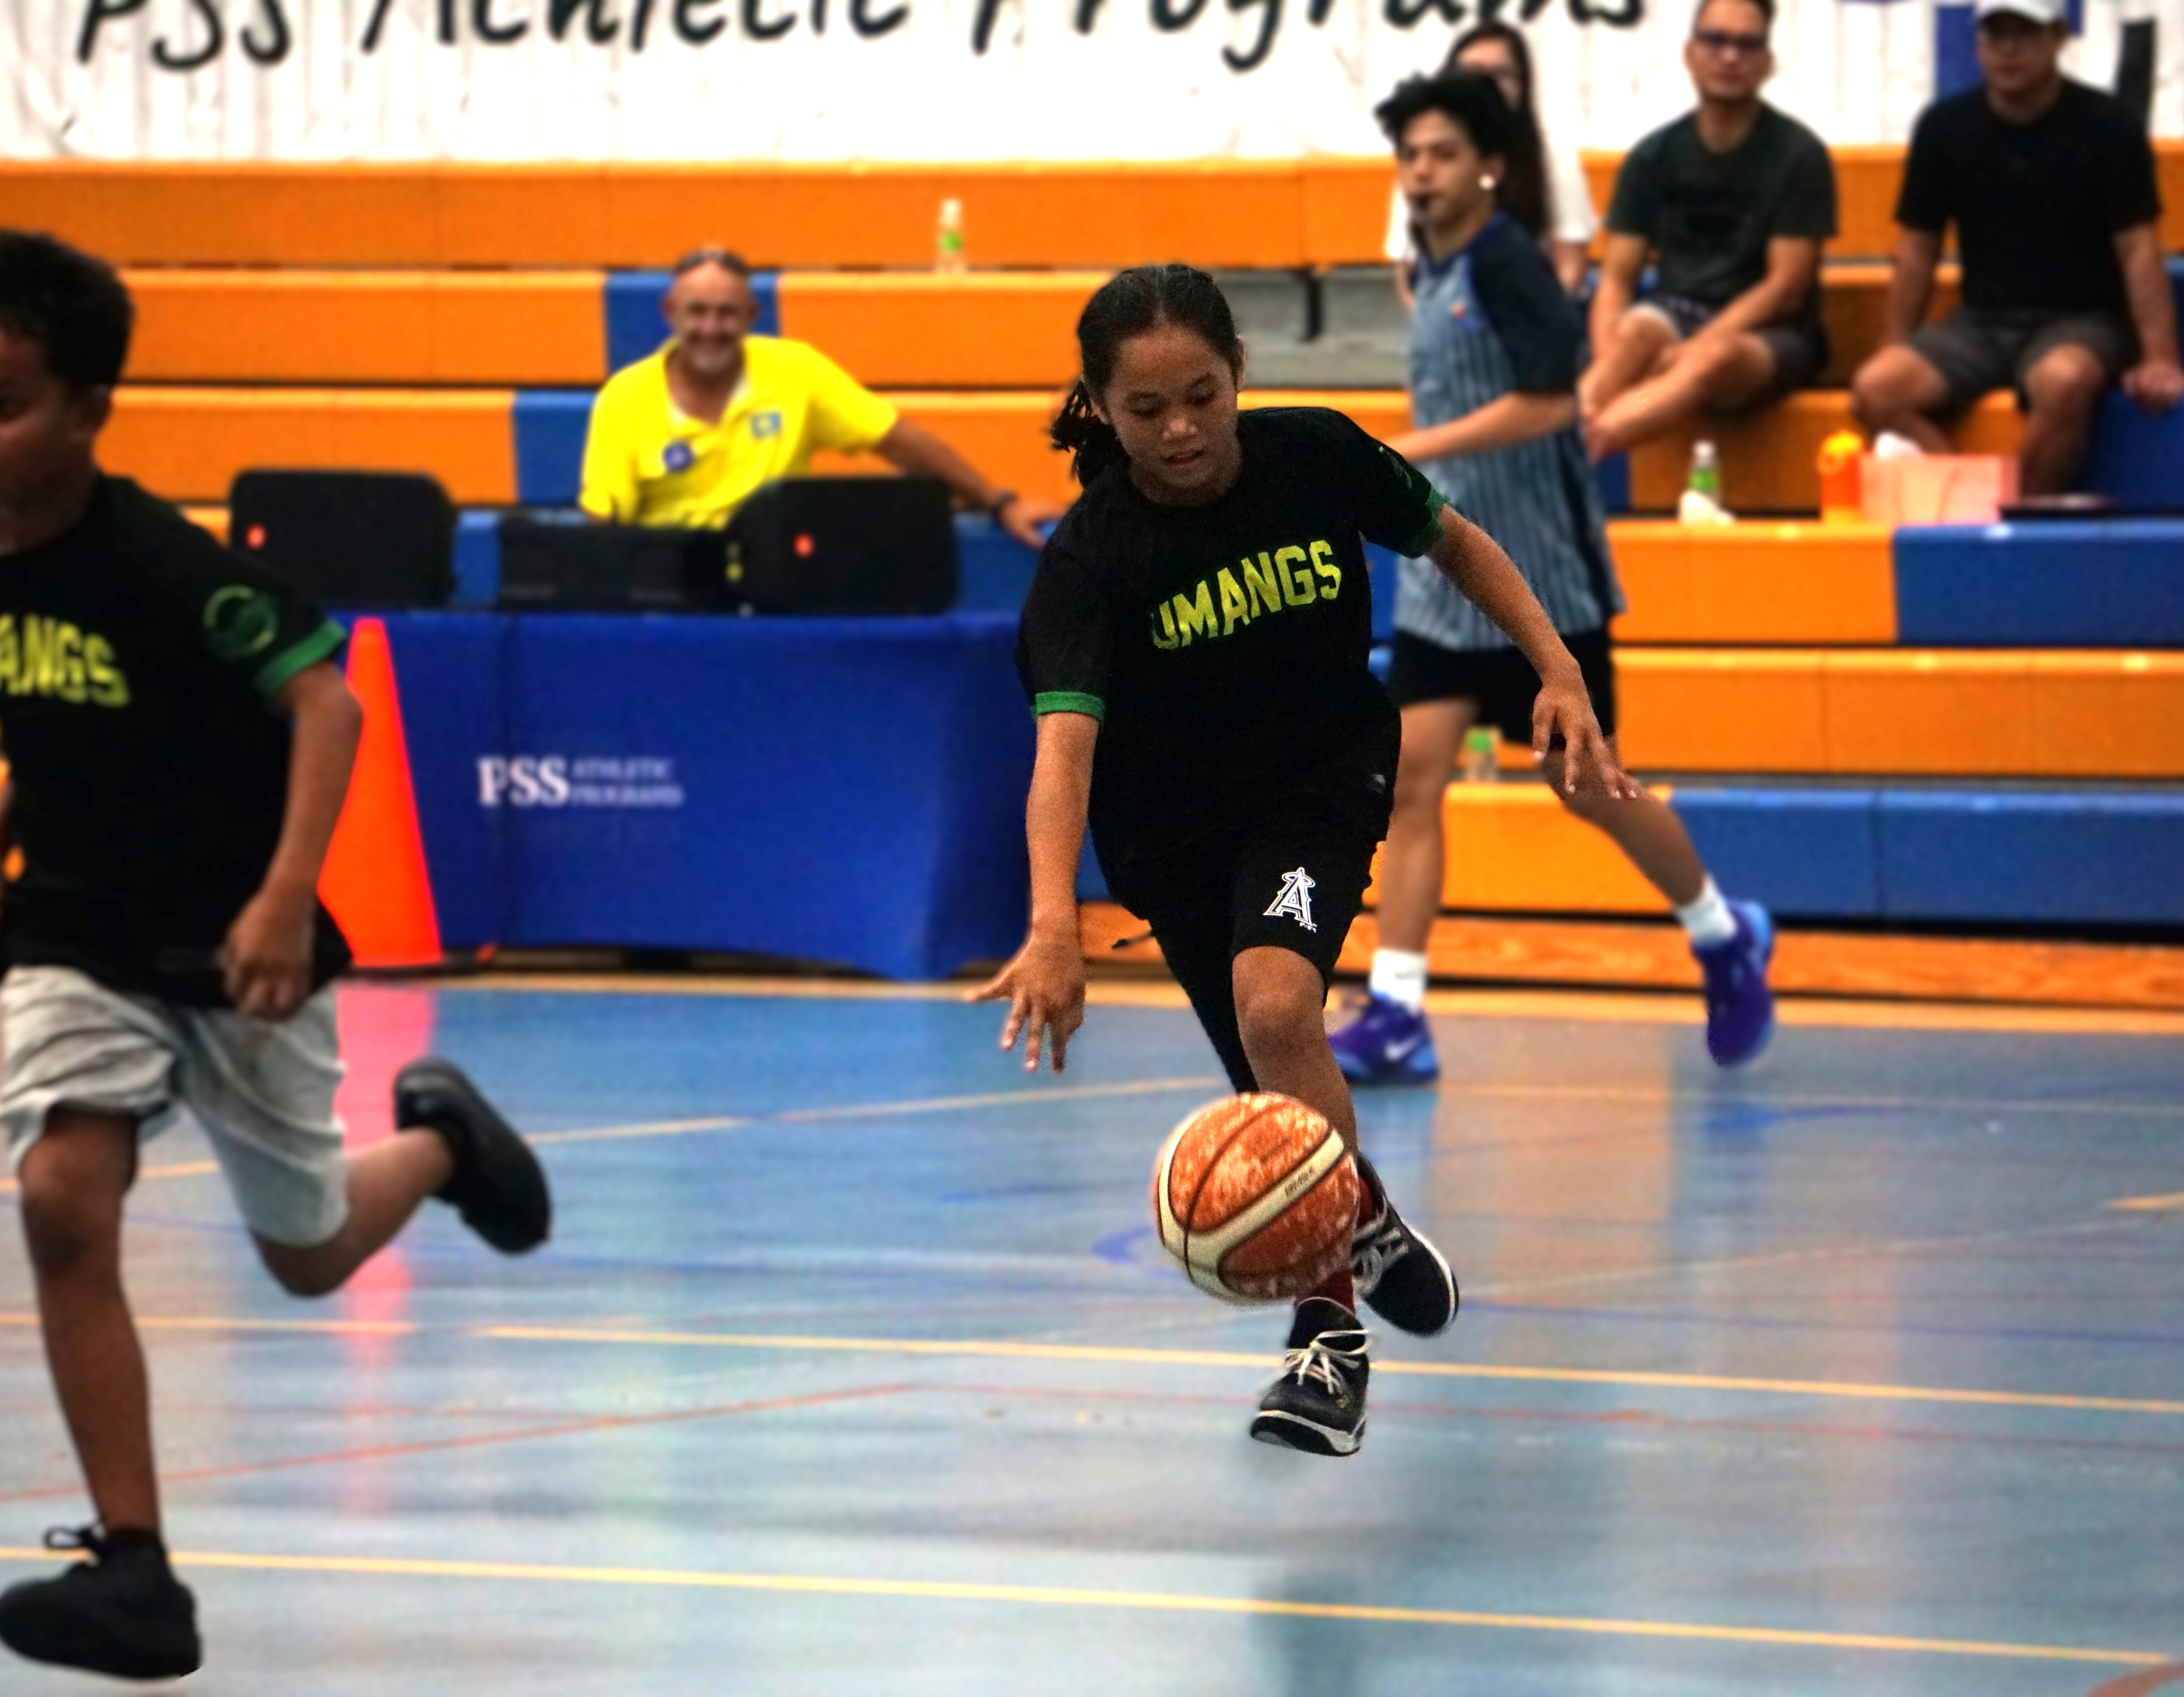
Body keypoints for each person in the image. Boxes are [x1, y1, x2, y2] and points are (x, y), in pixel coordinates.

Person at [0, 232, 551, 1682]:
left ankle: (435, 1141)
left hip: (236, 933)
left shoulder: (158, 564)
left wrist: (285, 897)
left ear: (88, 411)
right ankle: (137, 1577)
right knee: (63, 1190)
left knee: (307, 1256)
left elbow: (327, 706)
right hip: (73, 929)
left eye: (7, 404)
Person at [976, 265, 1643, 1458]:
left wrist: (1555, 665)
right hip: (1172, 840)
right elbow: (1061, 758)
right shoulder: (1089, 563)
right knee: (1270, 1081)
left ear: (1237, 375)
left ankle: (1327, 1345)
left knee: (1277, 1009)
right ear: (1097, 406)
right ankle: (1367, 1219)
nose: (1180, 429)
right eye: (1144, 410)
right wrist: (1049, 923)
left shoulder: (1318, 457)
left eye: (1201, 395)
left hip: (1315, 782)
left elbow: (1457, 542)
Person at [1335, 75, 1777, 1089]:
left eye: (1442, 153)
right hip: (1448, 575)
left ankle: (1720, 931)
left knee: (1583, 783)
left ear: (1487, 165)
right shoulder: (1432, 267)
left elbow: (1547, 408)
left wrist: (1410, 451)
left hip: (1541, 570)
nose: (1422, 171)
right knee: (1408, 776)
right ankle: (1397, 1004)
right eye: (1409, 155)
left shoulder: (1508, 265)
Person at [1848, 0, 2182, 494]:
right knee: (1876, 388)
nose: (2008, 50)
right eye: (1994, 35)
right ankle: (1970, 505)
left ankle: (2021, 517)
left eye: (2024, 34)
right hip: (1980, 322)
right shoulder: (1944, 129)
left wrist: (2159, 356)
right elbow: (1918, 248)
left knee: (2064, 380)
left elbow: (2137, 249)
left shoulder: (2109, 127)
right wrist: (1895, 340)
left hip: (2083, 321)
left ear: (2058, 38)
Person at [579, 247, 1061, 547]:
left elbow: (899, 440)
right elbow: (603, 520)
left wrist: (997, 502)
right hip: (671, 591)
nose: (710, 329)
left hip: (776, 579)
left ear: (750, 314)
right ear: (669, 311)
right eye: (697, 312)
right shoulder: (624, 396)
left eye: (726, 314)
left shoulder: (796, 369)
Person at [1580, 0, 1837, 462]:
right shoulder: (1653, 155)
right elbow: (1616, 279)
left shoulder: (1799, 155)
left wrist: (1699, 344)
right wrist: (1609, 359)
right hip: (1674, 315)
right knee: (1634, 332)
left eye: (1746, 44)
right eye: (1716, 41)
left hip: (1772, 334)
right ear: (1690, 54)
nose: (1730, 57)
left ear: (1766, 62)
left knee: (1710, 359)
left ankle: (1586, 442)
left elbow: (1786, 286)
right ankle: (1571, 430)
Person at [1385, 22, 1597, 300]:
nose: (1486, 87)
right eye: (1471, 74)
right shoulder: (1421, 162)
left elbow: (1570, 267)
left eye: (1501, 75)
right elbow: (1408, 269)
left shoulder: (1553, 157)